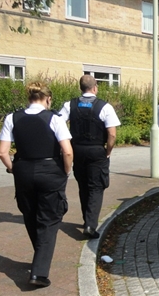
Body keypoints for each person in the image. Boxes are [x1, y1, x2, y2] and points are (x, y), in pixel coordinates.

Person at [0, 80, 73, 288]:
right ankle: (39, 273)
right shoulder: (55, 119)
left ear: (29, 98)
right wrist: (65, 171)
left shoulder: (12, 118)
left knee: (30, 216)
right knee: (49, 220)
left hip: (22, 170)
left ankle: (39, 255)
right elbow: (67, 150)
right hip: (50, 170)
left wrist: (13, 168)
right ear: (48, 99)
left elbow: (2, 152)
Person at [59, 74, 121, 239]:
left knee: (83, 185)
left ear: (81, 88)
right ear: (95, 88)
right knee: (96, 186)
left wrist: (65, 144)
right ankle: (90, 225)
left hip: (77, 149)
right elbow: (112, 134)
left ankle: (87, 219)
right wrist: (108, 151)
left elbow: (57, 124)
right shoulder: (105, 107)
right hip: (96, 151)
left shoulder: (69, 105)